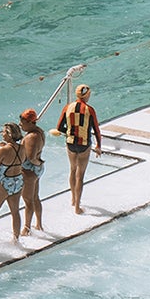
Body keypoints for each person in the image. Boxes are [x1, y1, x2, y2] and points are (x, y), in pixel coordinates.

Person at [57, 82, 102, 214]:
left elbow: (59, 127)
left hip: (70, 143)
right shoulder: (90, 110)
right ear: (86, 95)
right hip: (84, 144)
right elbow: (96, 130)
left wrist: (70, 132)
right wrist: (99, 145)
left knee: (72, 170)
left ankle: (72, 198)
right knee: (80, 176)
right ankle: (77, 206)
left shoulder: (68, 107)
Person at [17, 109, 46, 233]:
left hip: (29, 171)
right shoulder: (39, 132)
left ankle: (27, 228)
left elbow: (31, 157)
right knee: (35, 197)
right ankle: (39, 224)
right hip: (35, 169)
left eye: (22, 122)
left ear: (30, 122)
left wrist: (38, 164)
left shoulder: (31, 137)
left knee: (28, 200)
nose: (20, 125)